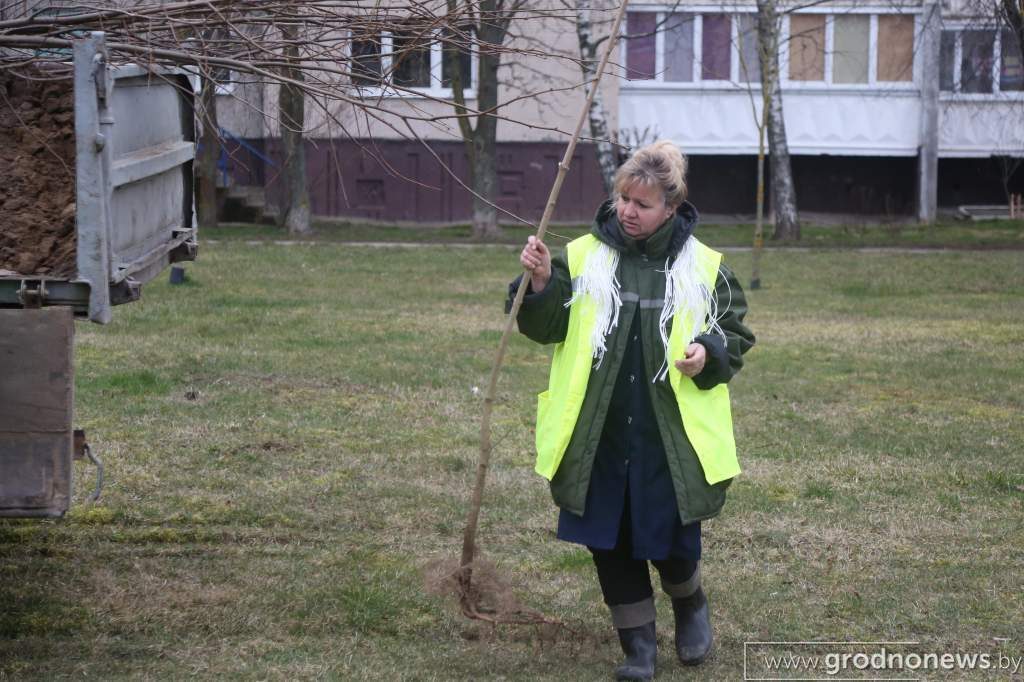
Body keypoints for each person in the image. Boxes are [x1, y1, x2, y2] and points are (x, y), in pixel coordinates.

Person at [507, 141, 755, 680]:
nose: (627, 211)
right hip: (597, 435)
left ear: (670, 207)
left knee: (669, 541)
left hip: (669, 439)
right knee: (610, 544)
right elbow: (544, 326)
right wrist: (543, 283)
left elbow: (733, 332)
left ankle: (689, 603)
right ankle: (638, 648)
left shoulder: (704, 266)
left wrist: (707, 351)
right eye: (622, 198)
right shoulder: (580, 256)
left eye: (641, 204)